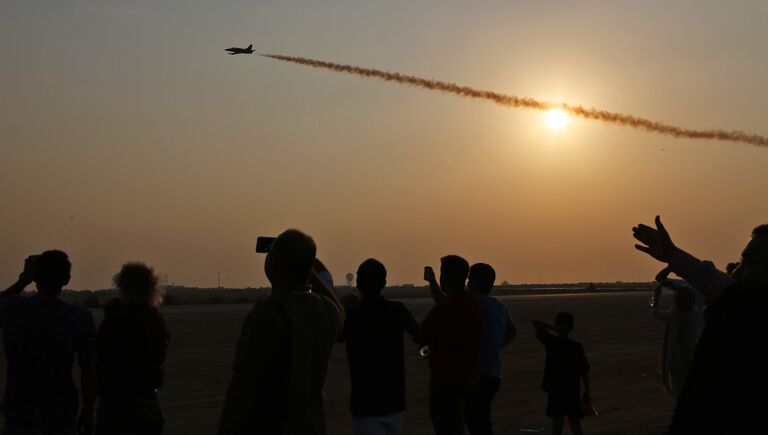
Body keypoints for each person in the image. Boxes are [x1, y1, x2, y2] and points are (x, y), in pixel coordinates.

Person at [632, 217, 768, 434]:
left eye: (748, 262)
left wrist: (672, 258)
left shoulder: (744, 299)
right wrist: (671, 255)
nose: (739, 271)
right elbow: (707, 277)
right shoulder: (736, 297)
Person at [218, 229, 345, 435]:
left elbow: (242, 389)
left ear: (274, 264)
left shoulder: (267, 315)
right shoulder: (327, 311)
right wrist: (307, 264)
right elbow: (337, 306)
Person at [0, 251, 96, 435]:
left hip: (20, 409)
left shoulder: (14, 310)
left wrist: (22, 281)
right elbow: (89, 369)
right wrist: (88, 410)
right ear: (67, 279)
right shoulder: (78, 318)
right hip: (60, 411)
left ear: (36, 277)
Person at [427, 263, 515, 435]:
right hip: (493, 374)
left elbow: (442, 301)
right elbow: (511, 332)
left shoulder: (471, 302)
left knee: (471, 421)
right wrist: (494, 348)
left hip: (476, 374)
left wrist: (432, 281)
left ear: (474, 282)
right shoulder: (498, 305)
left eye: (469, 279)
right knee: (479, 419)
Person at [338, 259, 420, 435]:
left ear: (358, 283)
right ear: (384, 283)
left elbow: (336, 336)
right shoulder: (397, 310)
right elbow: (419, 334)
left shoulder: (353, 314)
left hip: (366, 403)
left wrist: (341, 307)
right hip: (394, 401)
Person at [96, 263, 170, 435]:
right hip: (146, 403)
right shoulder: (156, 321)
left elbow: (101, 359)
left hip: (114, 404)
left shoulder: (114, 321)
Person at [421, 255, 484, 435]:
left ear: (444, 277)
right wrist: (432, 282)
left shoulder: (443, 309)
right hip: (470, 376)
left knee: (446, 426)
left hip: (445, 379)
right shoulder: (474, 306)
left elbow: (421, 335)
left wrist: (425, 351)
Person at [531, 313, 590, 435]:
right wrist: (587, 391)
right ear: (571, 328)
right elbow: (584, 370)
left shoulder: (552, 341)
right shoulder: (575, 346)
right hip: (572, 390)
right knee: (574, 424)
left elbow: (535, 322)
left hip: (556, 389)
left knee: (558, 424)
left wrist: (554, 328)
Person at [649, 268, 703, 396]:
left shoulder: (676, 313)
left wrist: (655, 298)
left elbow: (655, 313)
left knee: (678, 381)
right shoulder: (694, 310)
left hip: (678, 351)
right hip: (695, 338)